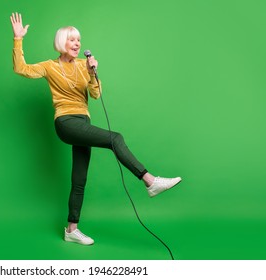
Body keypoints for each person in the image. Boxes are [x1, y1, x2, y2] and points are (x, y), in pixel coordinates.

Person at [10, 12, 181, 246]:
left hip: (83, 123)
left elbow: (96, 94)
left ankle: (71, 229)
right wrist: (18, 39)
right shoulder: (49, 67)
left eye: (79, 40)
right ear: (61, 43)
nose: (77, 44)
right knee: (115, 138)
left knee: (79, 178)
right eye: (72, 40)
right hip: (66, 122)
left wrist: (92, 73)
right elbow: (22, 69)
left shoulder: (83, 66)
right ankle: (150, 181)